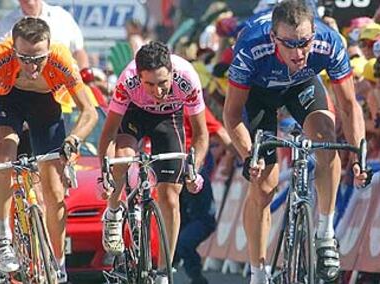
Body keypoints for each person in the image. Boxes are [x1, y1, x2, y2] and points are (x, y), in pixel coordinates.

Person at [223, 1, 371, 283]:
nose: (298, 52)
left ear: (314, 33)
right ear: (273, 37)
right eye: (289, 44)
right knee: (264, 185)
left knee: (326, 140)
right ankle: (258, 272)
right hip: (258, 96)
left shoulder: (329, 42)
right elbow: (231, 113)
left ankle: (325, 233)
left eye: (304, 42)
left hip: (301, 87)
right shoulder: (251, 45)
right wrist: (248, 154)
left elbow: (350, 106)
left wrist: (358, 155)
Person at [0, 17, 97, 283]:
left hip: (44, 106)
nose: (32, 66)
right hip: (8, 101)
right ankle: (4, 238)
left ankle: (58, 266)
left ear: (49, 49)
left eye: (39, 58)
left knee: (54, 191)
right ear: (13, 49)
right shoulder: (0, 57)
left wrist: (73, 139)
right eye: (24, 58)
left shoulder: (61, 58)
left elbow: (90, 112)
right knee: (4, 156)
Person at [98, 41, 208, 283]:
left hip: (168, 119)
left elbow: (201, 134)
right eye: (149, 84)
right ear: (139, 77)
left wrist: (193, 170)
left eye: (162, 83)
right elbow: (108, 133)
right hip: (134, 115)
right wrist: (104, 171)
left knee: (170, 197)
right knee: (122, 158)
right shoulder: (127, 80)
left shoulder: (187, 78)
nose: (157, 92)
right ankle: (114, 211)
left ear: (171, 72)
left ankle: (162, 272)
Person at [174, 107, 235, 284]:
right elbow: (220, 132)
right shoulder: (188, 101)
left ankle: (176, 262)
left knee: (178, 221)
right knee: (205, 220)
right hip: (191, 171)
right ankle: (181, 255)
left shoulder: (150, 100)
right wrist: (246, 158)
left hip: (165, 173)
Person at [0, 0, 89, 69]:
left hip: (64, 88)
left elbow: (79, 52)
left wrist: (84, 77)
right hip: (22, 89)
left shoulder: (62, 17)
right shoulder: (4, 25)